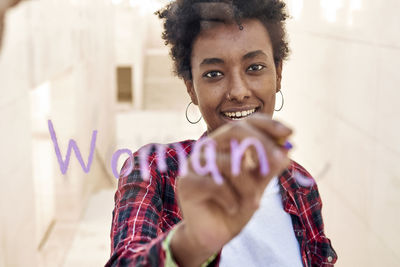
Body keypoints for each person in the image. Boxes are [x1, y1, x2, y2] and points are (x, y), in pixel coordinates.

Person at [106, 0, 337, 266]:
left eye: (255, 68)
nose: (238, 91)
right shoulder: (154, 170)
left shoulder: (300, 185)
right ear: (191, 87)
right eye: (214, 73)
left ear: (279, 73)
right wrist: (192, 243)